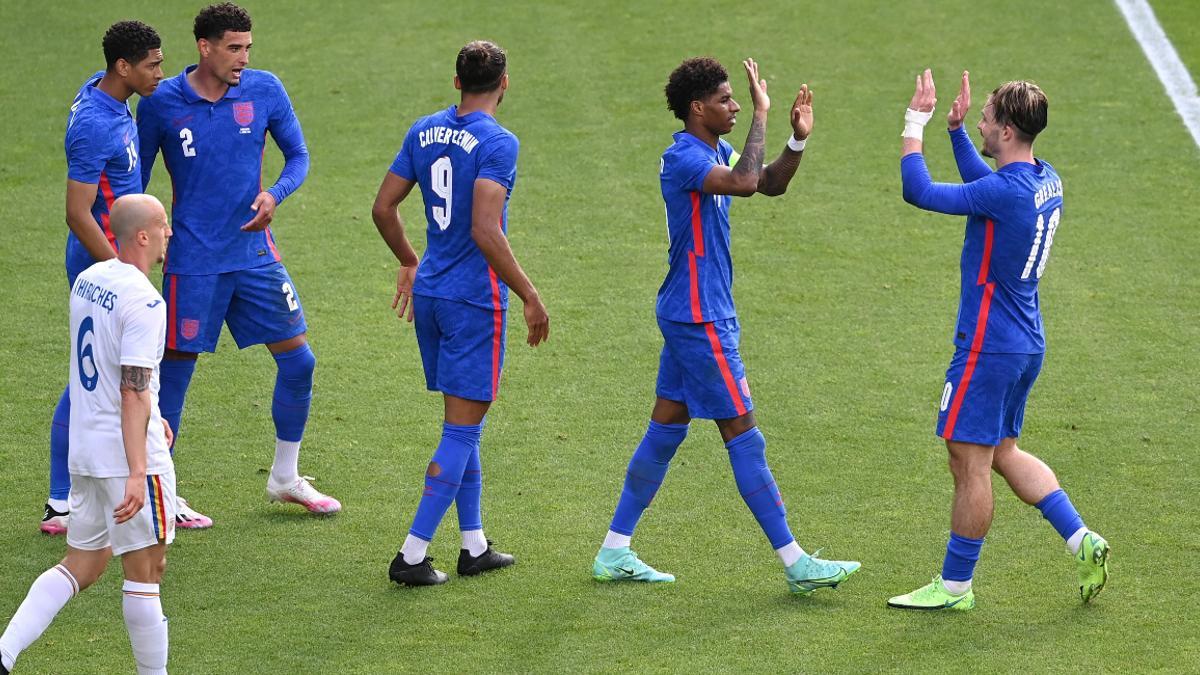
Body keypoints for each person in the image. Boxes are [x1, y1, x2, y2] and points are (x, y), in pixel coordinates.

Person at [590, 57, 861, 596]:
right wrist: (762, 114)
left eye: (739, 100)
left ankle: (613, 550)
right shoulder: (683, 157)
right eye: (726, 99)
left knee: (666, 428)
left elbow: (768, 184)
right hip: (700, 316)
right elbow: (742, 183)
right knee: (743, 433)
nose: (736, 106)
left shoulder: (710, 149)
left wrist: (797, 140)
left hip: (694, 310)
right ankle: (795, 562)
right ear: (698, 108)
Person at [887, 69, 1110, 611]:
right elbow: (984, 190)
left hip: (988, 346)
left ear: (1008, 131)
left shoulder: (1003, 191)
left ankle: (956, 586)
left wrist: (915, 122)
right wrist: (959, 131)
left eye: (987, 117)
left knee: (970, 462)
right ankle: (1082, 539)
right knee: (1003, 450)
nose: (983, 122)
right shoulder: (1043, 177)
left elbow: (918, 191)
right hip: (1025, 340)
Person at [136, 2, 339, 527]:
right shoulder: (160, 103)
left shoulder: (265, 90)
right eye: (234, 48)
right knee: (172, 379)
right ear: (204, 47)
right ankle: (164, 491)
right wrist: (151, 232)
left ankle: (285, 478)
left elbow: (299, 157)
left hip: (254, 256)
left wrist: (276, 194)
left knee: (301, 362)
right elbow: (133, 181)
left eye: (248, 48)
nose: (244, 58)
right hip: (193, 263)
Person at [372, 40, 549, 586]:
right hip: (475, 301)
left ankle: (472, 545)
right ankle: (412, 554)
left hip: (432, 296)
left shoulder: (423, 130)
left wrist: (409, 259)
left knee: (463, 425)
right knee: (460, 431)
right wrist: (529, 294)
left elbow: (383, 208)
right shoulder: (499, 142)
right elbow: (485, 228)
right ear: (505, 82)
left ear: (456, 82)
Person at [2, 194, 175, 675]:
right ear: (143, 235)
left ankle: (3, 652)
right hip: (127, 456)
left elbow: (104, 359)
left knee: (84, 562)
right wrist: (139, 470)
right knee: (146, 574)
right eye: (163, 225)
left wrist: (152, 410)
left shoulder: (89, 281)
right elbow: (131, 388)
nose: (169, 233)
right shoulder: (145, 300)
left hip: (85, 450)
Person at [42, 21, 164, 536]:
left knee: (107, 374)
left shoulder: (107, 91)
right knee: (92, 376)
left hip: (119, 252)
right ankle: (60, 499)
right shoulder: (94, 122)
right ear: (124, 67)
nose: (159, 73)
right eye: (152, 65)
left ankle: (81, 490)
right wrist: (117, 268)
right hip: (103, 257)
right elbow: (77, 212)